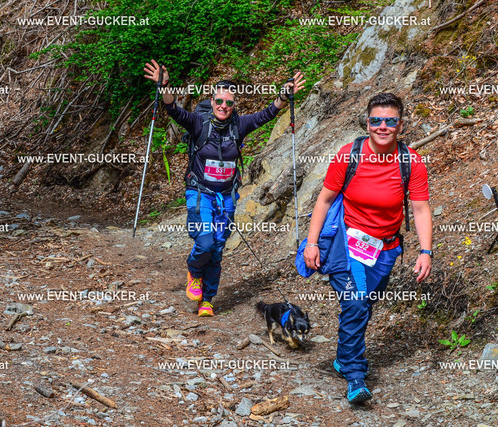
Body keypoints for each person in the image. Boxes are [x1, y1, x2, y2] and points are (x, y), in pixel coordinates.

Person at [144, 59, 305, 317]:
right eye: (219, 101)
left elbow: (267, 114)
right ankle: (194, 272)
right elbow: (173, 109)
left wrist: (284, 96)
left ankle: (207, 300)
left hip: (227, 197)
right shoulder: (199, 123)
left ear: (234, 105)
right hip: (200, 193)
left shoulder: (239, 125)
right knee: (205, 241)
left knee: (217, 249)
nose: (223, 106)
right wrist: (164, 86)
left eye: (229, 103)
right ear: (212, 101)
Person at [303, 93, 433, 403]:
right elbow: (324, 200)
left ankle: (342, 358)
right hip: (346, 244)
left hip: (385, 249)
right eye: (376, 120)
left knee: (362, 306)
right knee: (357, 302)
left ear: (400, 125)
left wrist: (425, 251)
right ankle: (355, 375)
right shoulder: (348, 155)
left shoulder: (411, 162)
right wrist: (311, 243)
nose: (382, 126)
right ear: (367, 123)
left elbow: (420, 209)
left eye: (390, 121)